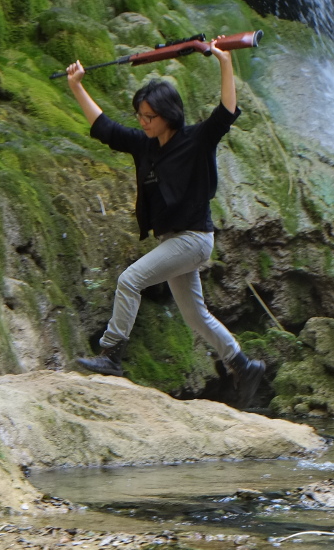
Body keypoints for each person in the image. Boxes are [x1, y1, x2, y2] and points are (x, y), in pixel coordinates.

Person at [64, 43, 266, 407]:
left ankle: (111, 354)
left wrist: (224, 60)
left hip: (193, 239)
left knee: (130, 280)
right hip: (174, 240)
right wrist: (77, 86)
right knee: (194, 315)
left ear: (168, 114)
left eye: (150, 116)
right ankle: (242, 364)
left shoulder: (196, 140)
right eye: (140, 115)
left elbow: (226, 112)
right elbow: (105, 128)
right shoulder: (145, 145)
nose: (143, 122)